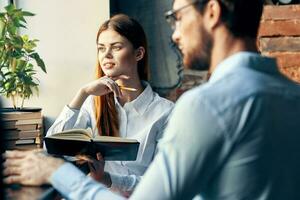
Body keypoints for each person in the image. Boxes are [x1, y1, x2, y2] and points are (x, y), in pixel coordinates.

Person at [3, 0, 300, 199]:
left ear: (212, 12)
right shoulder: (293, 97)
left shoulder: (205, 105)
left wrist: (57, 173)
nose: (174, 34)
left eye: (177, 17)